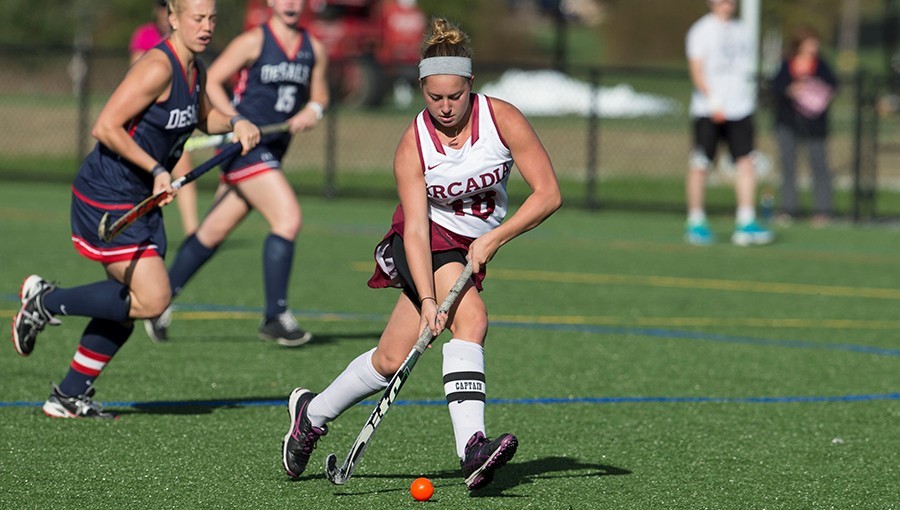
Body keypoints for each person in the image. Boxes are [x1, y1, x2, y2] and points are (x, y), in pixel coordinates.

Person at [279, 17, 562, 490]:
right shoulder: (413, 144)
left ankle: (312, 413)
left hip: (470, 246)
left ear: (471, 85)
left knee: (391, 359)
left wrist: (495, 237)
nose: (446, 107)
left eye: (456, 96)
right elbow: (414, 229)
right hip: (423, 241)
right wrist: (430, 300)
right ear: (421, 89)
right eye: (435, 97)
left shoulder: (502, 119)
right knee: (472, 320)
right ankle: (472, 447)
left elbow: (548, 194)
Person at [11, 0, 261, 418]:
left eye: (212, 18)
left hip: (141, 197)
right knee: (153, 297)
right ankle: (45, 301)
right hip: (108, 193)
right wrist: (157, 168)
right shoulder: (157, 67)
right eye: (197, 18)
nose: (206, 26)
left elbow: (202, 118)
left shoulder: (193, 69)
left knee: (134, 299)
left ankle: (69, 395)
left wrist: (236, 121)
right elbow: (105, 125)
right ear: (174, 18)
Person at [143, 0, 329, 346]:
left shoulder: (313, 48)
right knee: (287, 218)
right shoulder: (253, 41)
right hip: (245, 149)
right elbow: (209, 80)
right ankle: (275, 316)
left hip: (273, 149)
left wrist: (313, 109)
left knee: (212, 232)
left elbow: (319, 91)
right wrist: (235, 119)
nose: (290, 4)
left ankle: (156, 301)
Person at [685, 0, 773, 246]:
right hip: (709, 110)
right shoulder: (701, 30)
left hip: (740, 109)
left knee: (746, 163)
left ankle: (746, 221)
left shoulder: (742, 30)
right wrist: (713, 102)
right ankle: (696, 222)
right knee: (701, 163)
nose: (727, 4)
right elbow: (697, 69)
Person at [130, 0, 200, 237]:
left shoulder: (189, 45)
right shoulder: (146, 36)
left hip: (172, 125)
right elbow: (136, 76)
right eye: (162, 7)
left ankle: (193, 233)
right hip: (148, 126)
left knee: (183, 168)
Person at [771, 26, 837, 227]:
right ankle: (789, 209)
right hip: (788, 121)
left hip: (815, 124)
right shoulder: (786, 64)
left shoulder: (822, 66)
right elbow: (776, 87)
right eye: (809, 41)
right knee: (788, 166)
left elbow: (833, 86)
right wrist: (791, 89)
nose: (813, 46)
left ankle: (823, 210)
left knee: (819, 165)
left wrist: (814, 89)